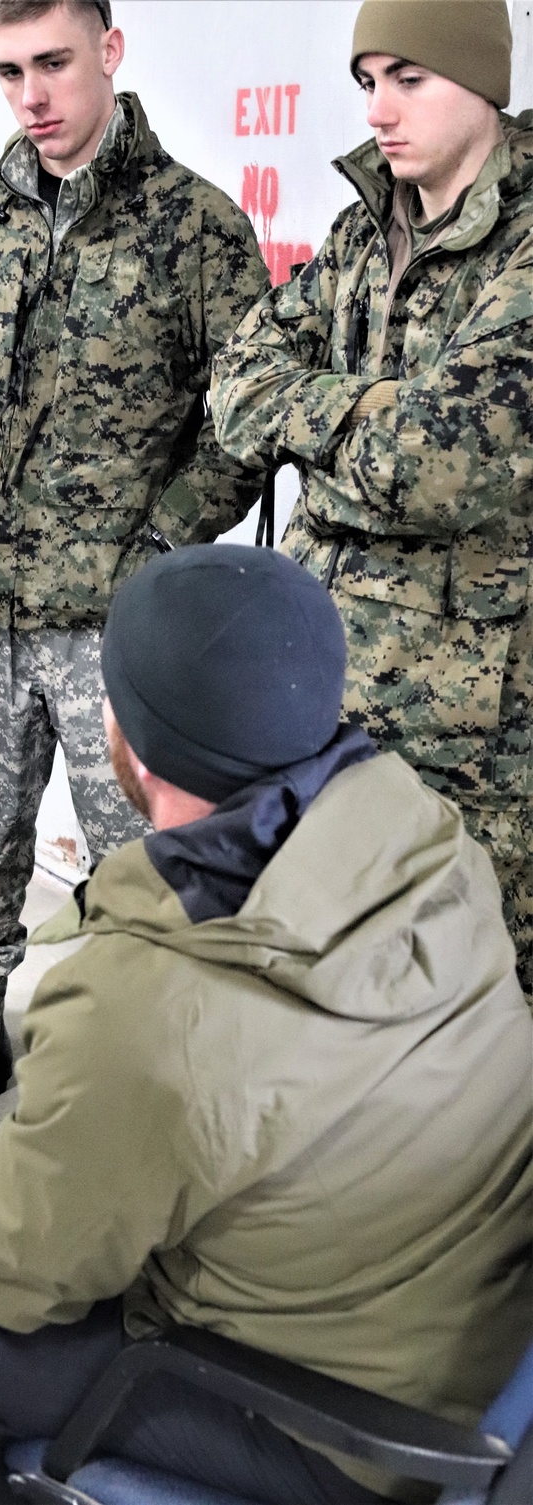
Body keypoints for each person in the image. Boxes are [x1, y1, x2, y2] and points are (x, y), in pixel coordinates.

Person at [0, 544, 533, 1505]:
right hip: (476, 1342)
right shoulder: (429, 842)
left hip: (340, 1430)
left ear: (126, 744)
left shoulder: (145, 998)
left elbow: (14, 1266)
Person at [0, 0, 270, 1123]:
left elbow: (244, 415)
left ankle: (149, 1065)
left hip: (118, 631)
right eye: (8, 72)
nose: (31, 98)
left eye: (52, 63)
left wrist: (161, 541)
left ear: (110, 50)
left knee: (143, 869)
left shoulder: (194, 228)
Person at [210, 0, 533, 1000]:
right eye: (366, 81)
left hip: (473, 725)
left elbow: (438, 466)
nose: (379, 110)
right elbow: (234, 387)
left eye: (408, 78)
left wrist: (316, 423)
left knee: (475, 1004)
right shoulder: (364, 229)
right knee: (335, 991)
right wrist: (370, 411)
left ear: (483, 83)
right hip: (324, 686)